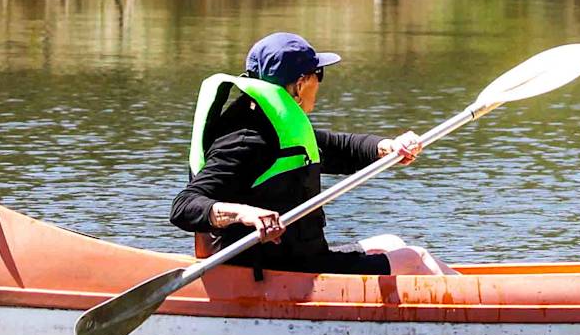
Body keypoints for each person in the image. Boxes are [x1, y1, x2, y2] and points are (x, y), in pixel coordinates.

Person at [172, 31, 436, 278]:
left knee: (391, 243)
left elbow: (338, 147)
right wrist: (244, 214)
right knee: (415, 258)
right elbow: (184, 205)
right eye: (318, 74)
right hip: (273, 273)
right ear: (299, 85)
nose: (320, 83)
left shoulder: (272, 125)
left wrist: (390, 147)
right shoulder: (246, 140)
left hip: (298, 260)